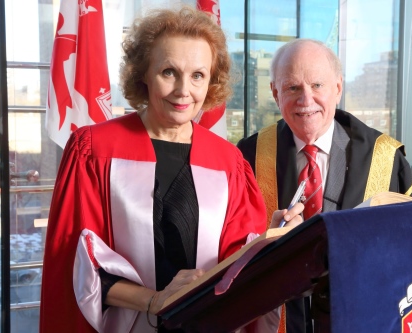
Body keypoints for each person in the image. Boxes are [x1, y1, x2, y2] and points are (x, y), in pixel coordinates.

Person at [40, 7, 302, 333]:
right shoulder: (93, 151)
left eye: (197, 75)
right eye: (168, 72)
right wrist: (156, 300)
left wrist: (268, 242)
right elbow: (78, 263)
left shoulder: (228, 162)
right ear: (144, 74)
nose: (183, 90)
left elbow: (236, 267)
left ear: (211, 82)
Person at [237, 38, 412, 332]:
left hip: (358, 317)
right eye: (293, 87)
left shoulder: (385, 158)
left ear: (338, 88)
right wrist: (266, 241)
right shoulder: (247, 156)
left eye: (317, 85)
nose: (306, 100)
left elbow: (404, 252)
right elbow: (230, 252)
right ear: (274, 92)